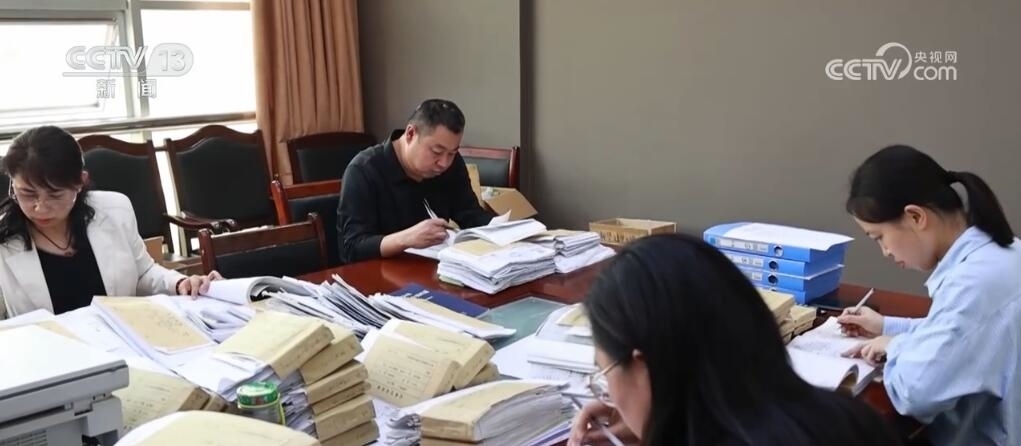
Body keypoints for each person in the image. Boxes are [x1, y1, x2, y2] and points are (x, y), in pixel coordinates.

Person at [568, 233, 900, 446]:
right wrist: (657, 419)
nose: (610, 395)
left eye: (605, 377)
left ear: (645, 369)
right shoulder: (852, 421)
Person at [837, 145, 1020, 446]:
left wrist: (896, 346)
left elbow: (916, 393)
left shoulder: (972, 284)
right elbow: (964, 333)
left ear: (915, 216)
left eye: (879, 237)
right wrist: (886, 327)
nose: (885, 252)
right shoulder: (1004, 252)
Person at [0, 126, 221, 319]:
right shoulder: (5, 238)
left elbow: (143, 273)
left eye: (55, 195)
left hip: (123, 340)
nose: (40, 207)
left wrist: (179, 283)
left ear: (80, 182)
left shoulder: (114, 210)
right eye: (27, 194)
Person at [336, 99, 493, 264]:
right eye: (436, 152)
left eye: (452, 153)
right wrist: (407, 238)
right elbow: (351, 248)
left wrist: (504, 229)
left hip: (436, 269)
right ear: (410, 134)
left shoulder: (451, 165)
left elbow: (470, 214)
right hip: (381, 273)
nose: (444, 163)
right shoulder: (364, 171)